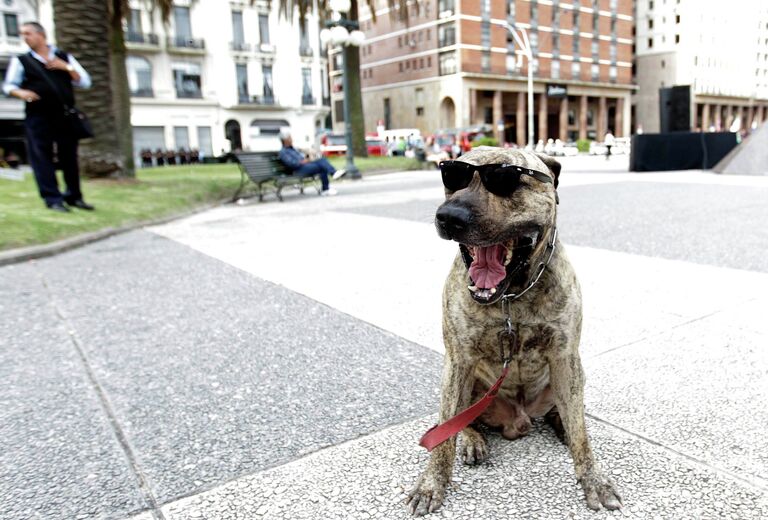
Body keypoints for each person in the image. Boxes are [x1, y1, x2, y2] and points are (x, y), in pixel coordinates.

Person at [2, 21, 92, 212]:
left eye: (28, 33)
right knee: (42, 158)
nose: (25, 38)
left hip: (65, 115)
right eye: (22, 34)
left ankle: (74, 196)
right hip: (38, 116)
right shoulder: (22, 61)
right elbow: (9, 86)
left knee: (69, 157)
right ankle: (53, 199)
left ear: (41, 35)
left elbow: (84, 82)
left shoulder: (63, 58)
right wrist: (22, 93)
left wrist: (66, 67)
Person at [278, 130, 345, 196]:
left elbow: (302, 158)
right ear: (285, 140)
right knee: (321, 166)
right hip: (297, 170)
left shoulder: (293, 149)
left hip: (304, 167)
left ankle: (332, 176)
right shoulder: (283, 152)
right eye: (289, 138)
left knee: (321, 160)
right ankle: (328, 184)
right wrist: (303, 162)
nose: (291, 139)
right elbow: (292, 164)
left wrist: (307, 158)